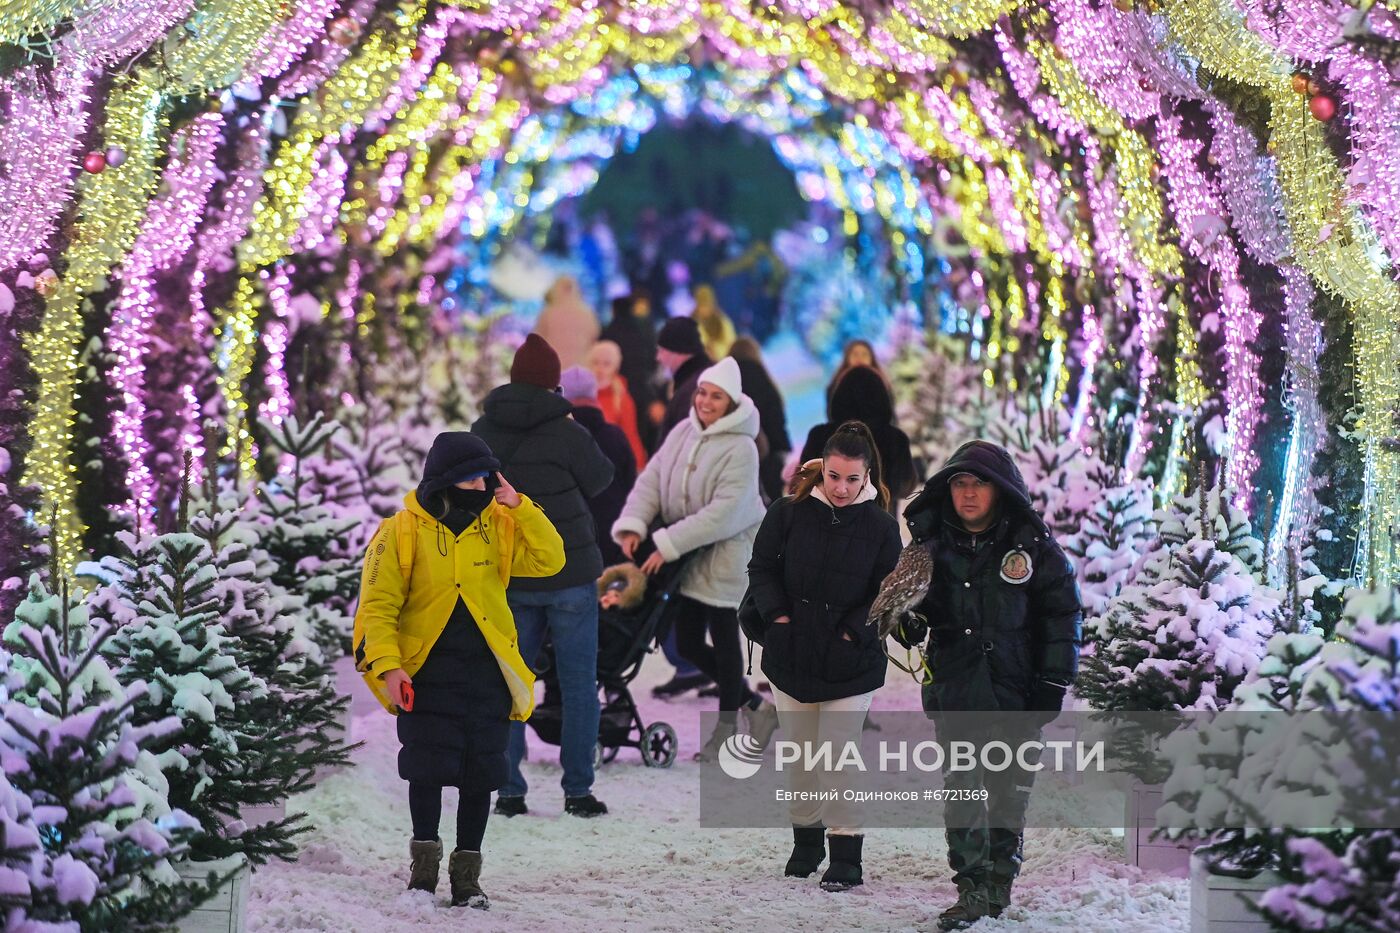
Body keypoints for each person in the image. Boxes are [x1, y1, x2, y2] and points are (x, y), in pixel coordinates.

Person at [353, 432, 565, 910]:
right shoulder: (401, 530)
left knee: (482, 772)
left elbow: (552, 559)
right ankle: (423, 870)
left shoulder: (500, 523)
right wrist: (388, 667)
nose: (481, 486)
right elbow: (377, 606)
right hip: (425, 671)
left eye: (486, 477)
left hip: (488, 671)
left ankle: (467, 877)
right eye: (470, 477)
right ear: (445, 481)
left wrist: (521, 506)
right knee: (426, 768)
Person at [888, 440, 1081, 929]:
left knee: (1008, 792)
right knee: (964, 791)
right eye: (959, 484)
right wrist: (909, 625)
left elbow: (1061, 615)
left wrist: (1053, 682)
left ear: (1000, 491)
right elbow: (916, 610)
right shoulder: (930, 547)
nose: (968, 494)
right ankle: (971, 886)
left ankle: (999, 881)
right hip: (956, 689)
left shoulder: (1032, 547)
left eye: (979, 484)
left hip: (1018, 691)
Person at [746, 422, 902, 891]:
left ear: (867, 477)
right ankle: (806, 840)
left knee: (837, 755)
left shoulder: (880, 526)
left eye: (853, 479)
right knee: (801, 755)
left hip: (851, 663)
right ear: (821, 470)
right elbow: (761, 568)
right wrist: (777, 618)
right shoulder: (788, 512)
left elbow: (887, 590)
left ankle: (846, 851)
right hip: (791, 656)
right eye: (834, 476)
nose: (841, 487)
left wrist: (854, 633)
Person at [471, 334, 616, 818]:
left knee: (510, 683)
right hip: (570, 570)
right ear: (554, 383)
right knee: (578, 685)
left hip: (510, 573)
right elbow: (601, 480)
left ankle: (510, 791)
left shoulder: (482, 431)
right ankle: (578, 792)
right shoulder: (568, 430)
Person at [612, 356, 777, 759]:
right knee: (686, 643)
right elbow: (652, 479)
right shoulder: (684, 432)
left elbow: (725, 512)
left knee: (723, 638)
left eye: (715, 396)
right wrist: (634, 522)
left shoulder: (741, 447)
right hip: (686, 553)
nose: (704, 401)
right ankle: (757, 709)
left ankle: (725, 729)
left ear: (731, 402)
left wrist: (666, 543)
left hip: (724, 553)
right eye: (702, 392)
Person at [799, 365, 916, 513]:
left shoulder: (819, 435)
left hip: (823, 521)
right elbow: (904, 486)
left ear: (839, 396)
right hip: (879, 522)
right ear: (882, 398)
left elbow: (804, 479)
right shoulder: (896, 439)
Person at [561, 365, 637, 569]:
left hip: (567, 549)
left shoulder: (555, 439)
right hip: (611, 544)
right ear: (594, 395)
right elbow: (632, 489)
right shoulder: (615, 437)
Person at [728, 337, 790, 504]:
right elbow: (776, 420)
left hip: (735, 461)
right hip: (768, 459)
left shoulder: (728, 383)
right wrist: (782, 447)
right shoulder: (765, 381)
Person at [600, 293, 661, 450]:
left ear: (613, 310)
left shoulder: (608, 333)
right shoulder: (642, 331)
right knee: (639, 433)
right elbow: (653, 358)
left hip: (618, 390)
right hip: (641, 388)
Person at [588, 339, 647, 470]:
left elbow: (631, 436)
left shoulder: (622, 400)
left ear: (615, 367)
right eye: (595, 362)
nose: (600, 369)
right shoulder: (581, 396)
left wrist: (638, 468)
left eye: (606, 364)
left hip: (613, 466)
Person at [655, 316, 712, 437]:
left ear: (677, 351)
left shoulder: (693, 389)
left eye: (662, 350)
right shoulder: (699, 379)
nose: (658, 357)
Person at [533, 275, 600, 369]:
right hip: (581, 368)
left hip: (553, 368)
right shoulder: (587, 313)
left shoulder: (548, 312)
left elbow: (536, 340)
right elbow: (594, 339)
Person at [825, 339, 893, 415]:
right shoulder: (835, 385)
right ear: (847, 358)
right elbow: (831, 415)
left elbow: (890, 414)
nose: (860, 358)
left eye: (864, 354)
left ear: (872, 359)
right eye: (855, 354)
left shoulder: (884, 384)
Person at [691, 283, 736, 361]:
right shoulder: (690, 325)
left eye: (707, 304)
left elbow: (732, 346)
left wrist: (715, 350)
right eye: (702, 304)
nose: (704, 309)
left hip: (722, 364)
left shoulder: (722, 322)